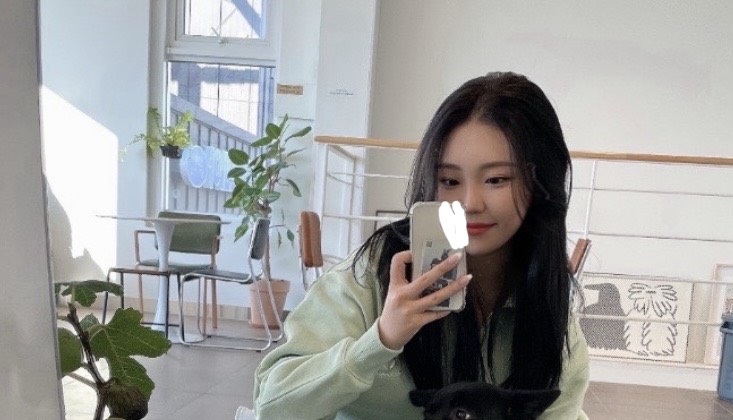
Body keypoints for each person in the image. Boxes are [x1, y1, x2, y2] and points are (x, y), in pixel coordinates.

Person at [254, 72, 589, 419]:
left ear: (541, 184)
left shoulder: (548, 309)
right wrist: (380, 340)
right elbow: (272, 408)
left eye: (496, 179)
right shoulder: (370, 278)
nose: (470, 202)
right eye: (449, 180)